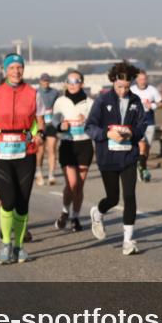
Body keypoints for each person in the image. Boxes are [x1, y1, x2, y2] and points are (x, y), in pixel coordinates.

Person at [0, 54, 45, 265]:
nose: (16, 71)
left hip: (25, 151)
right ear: (5, 70)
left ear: (23, 70)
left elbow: (41, 121)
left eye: (19, 67)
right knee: (7, 199)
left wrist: (40, 135)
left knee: (23, 202)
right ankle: (6, 244)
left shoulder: (33, 93)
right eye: (12, 68)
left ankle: (19, 247)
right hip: (1, 152)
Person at [86, 61, 148, 254]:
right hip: (108, 157)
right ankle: (98, 213)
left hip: (129, 156)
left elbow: (142, 125)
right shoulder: (102, 101)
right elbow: (90, 127)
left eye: (127, 87)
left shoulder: (136, 102)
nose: (123, 91)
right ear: (113, 81)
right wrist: (106, 133)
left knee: (129, 197)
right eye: (119, 87)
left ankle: (128, 241)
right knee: (113, 198)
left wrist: (132, 134)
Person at [53, 69, 94, 232]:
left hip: (84, 145)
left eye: (75, 81)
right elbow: (54, 121)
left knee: (80, 186)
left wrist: (88, 121)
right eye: (69, 81)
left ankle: (75, 217)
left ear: (82, 83)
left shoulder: (90, 103)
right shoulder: (60, 101)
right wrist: (60, 126)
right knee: (72, 183)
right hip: (68, 145)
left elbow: (96, 123)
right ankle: (64, 211)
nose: (72, 84)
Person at [130, 69, 162, 183]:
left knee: (147, 149)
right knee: (142, 146)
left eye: (144, 79)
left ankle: (141, 166)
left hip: (149, 121)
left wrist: (153, 105)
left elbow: (161, 103)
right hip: (136, 123)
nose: (142, 81)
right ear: (136, 79)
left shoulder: (152, 90)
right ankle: (143, 170)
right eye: (140, 79)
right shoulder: (132, 90)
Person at [35, 73, 61, 186]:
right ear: (40, 81)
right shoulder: (35, 93)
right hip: (39, 124)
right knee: (40, 150)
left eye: (47, 81)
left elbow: (59, 107)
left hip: (51, 124)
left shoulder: (55, 92)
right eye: (43, 81)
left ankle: (51, 175)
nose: (45, 82)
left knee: (52, 149)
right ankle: (39, 171)